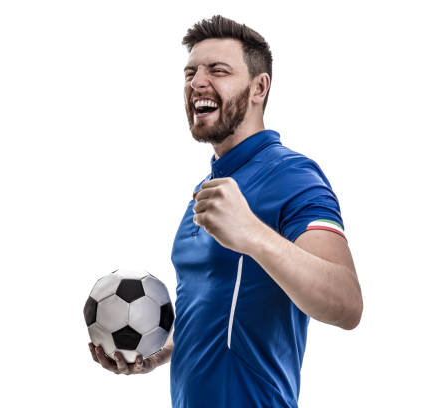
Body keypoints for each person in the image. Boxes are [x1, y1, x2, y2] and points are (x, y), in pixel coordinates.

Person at [88, 15, 363, 408]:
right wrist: (157, 349)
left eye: (218, 70)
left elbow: (347, 303)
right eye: (190, 72)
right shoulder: (206, 193)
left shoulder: (292, 175)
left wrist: (253, 234)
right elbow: (217, 310)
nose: (197, 82)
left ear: (259, 87)